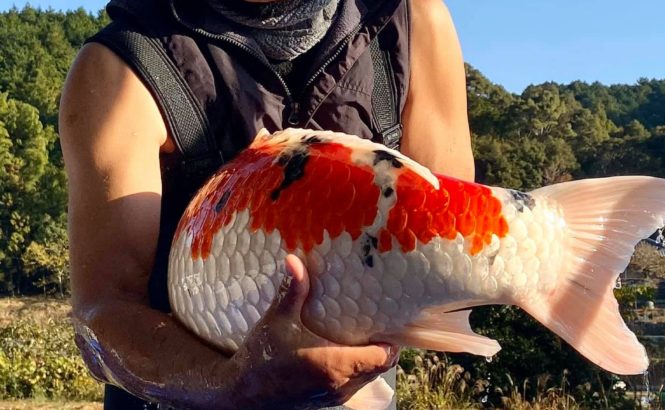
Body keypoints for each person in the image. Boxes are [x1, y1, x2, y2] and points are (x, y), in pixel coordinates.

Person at [59, 0, 474, 408]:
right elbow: (104, 312)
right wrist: (230, 386)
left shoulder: (414, 22)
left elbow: (458, 242)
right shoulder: (116, 69)